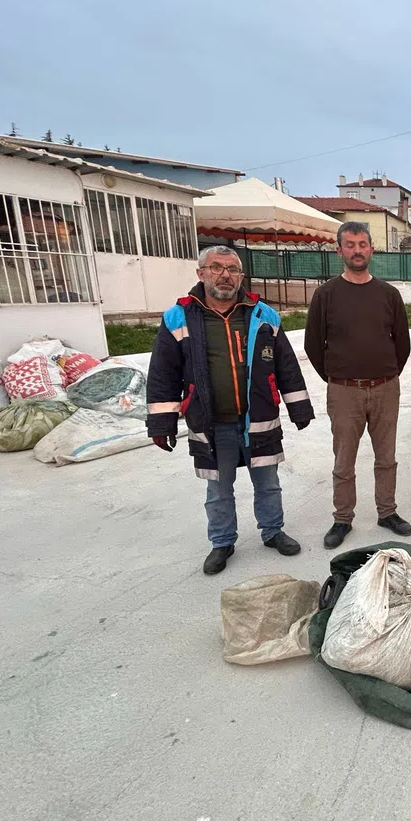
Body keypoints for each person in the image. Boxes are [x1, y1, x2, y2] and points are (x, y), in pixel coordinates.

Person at [147, 245, 313, 575]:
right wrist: (160, 422)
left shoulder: (263, 315)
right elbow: (163, 372)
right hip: (211, 422)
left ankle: (273, 531)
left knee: (268, 481)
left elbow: (286, 367)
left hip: (259, 417)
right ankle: (222, 542)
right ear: (201, 273)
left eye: (233, 269)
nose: (225, 275)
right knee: (219, 488)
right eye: (216, 267)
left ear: (241, 276)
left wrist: (299, 408)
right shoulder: (179, 318)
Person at [304, 221, 411, 550]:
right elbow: (312, 345)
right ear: (339, 251)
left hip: (385, 388)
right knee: (344, 460)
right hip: (344, 391)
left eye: (362, 244)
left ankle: (387, 512)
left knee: (386, 457)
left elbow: (403, 344)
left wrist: (387, 372)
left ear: (371, 249)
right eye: (349, 245)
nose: (356, 250)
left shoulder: (389, 295)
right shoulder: (326, 295)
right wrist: (338, 377)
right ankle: (342, 519)